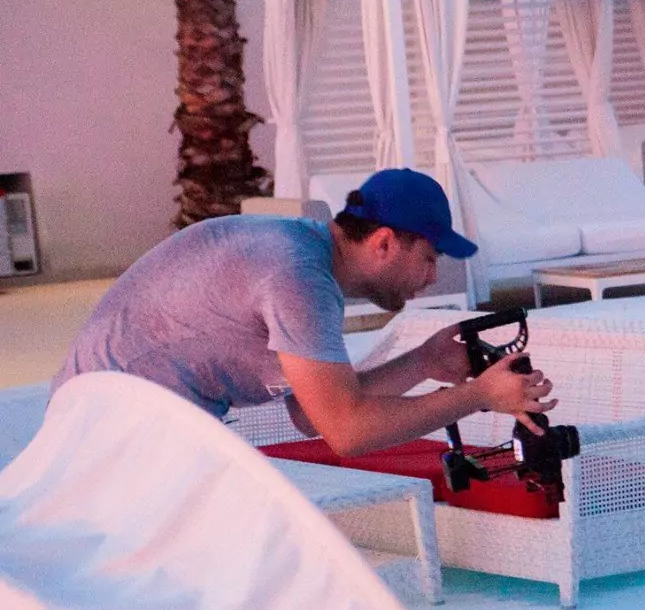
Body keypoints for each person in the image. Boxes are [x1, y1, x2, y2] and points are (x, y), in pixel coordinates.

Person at [53, 169, 553, 455]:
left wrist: (424, 362)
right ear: (383, 243)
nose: (431, 277)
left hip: (103, 419)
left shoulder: (300, 252)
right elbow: (347, 431)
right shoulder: (299, 278)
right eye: (429, 258)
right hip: (113, 434)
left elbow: (310, 413)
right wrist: (478, 395)